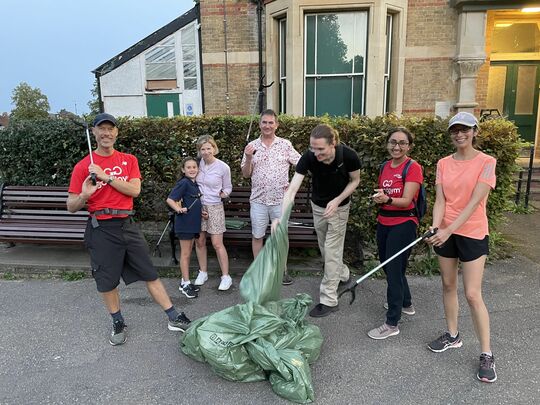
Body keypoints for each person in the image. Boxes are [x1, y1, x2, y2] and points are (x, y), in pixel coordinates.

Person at [66, 113, 190, 346]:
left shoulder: (128, 160)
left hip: (127, 225)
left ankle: (174, 316)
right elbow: (71, 206)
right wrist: (84, 195)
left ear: (116, 133)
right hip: (100, 228)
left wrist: (106, 177)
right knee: (107, 281)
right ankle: (118, 321)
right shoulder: (84, 166)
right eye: (101, 129)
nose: (106, 133)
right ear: (94, 133)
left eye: (110, 129)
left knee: (149, 273)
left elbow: (134, 191)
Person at [426, 112, 497, 383]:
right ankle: (453, 336)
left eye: (464, 129)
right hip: (445, 232)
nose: (459, 134)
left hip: (472, 232)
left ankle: (487, 354)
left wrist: (447, 230)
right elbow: (441, 200)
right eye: (454, 130)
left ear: (474, 131)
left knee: (472, 293)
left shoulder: (487, 162)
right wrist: (436, 227)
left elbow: (474, 202)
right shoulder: (443, 163)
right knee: (447, 284)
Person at [274, 123, 360, 317]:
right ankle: (343, 274)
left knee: (331, 250)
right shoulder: (309, 157)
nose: (316, 153)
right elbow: (292, 189)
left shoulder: (349, 156)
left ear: (333, 143)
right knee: (325, 248)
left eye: (320, 149)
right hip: (318, 206)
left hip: (339, 208)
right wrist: (281, 216)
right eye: (313, 148)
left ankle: (329, 299)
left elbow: (355, 180)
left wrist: (337, 201)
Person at [367, 127, 423, 340]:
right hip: (384, 221)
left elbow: (407, 200)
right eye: (393, 142)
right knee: (390, 265)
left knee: (392, 268)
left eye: (402, 143)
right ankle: (406, 303)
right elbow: (386, 192)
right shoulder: (384, 166)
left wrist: (387, 199)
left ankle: (392, 323)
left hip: (404, 223)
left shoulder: (413, 167)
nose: (396, 146)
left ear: (409, 146)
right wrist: (381, 197)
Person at [241, 109, 301, 284]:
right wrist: (248, 157)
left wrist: (294, 186)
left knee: (280, 237)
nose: (267, 126)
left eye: (270, 122)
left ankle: (282, 271)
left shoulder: (285, 145)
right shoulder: (251, 146)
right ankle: (259, 272)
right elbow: (245, 174)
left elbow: (301, 164)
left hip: (280, 201)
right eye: (264, 122)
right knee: (257, 236)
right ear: (259, 124)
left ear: (276, 125)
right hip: (258, 200)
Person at [193, 135, 233, 291]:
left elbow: (228, 188)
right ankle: (203, 272)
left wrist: (222, 195)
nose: (206, 151)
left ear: (214, 148)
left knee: (217, 244)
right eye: (202, 149)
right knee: (200, 242)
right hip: (198, 207)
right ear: (199, 151)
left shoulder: (223, 167)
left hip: (215, 207)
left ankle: (226, 276)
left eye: (208, 148)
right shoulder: (196, 165)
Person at [166, 157, 203, 299]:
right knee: (186, 254)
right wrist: (178, 209)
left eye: (194, 167)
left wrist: (202, 212)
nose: (192, 169)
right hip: (185, 224)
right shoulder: (183, 183)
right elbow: (170, 199)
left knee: (187, 253)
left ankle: (183, 282)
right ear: (183, 170)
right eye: (189, 167)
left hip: (193, 224)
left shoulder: (194, 184)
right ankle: (186, 284)